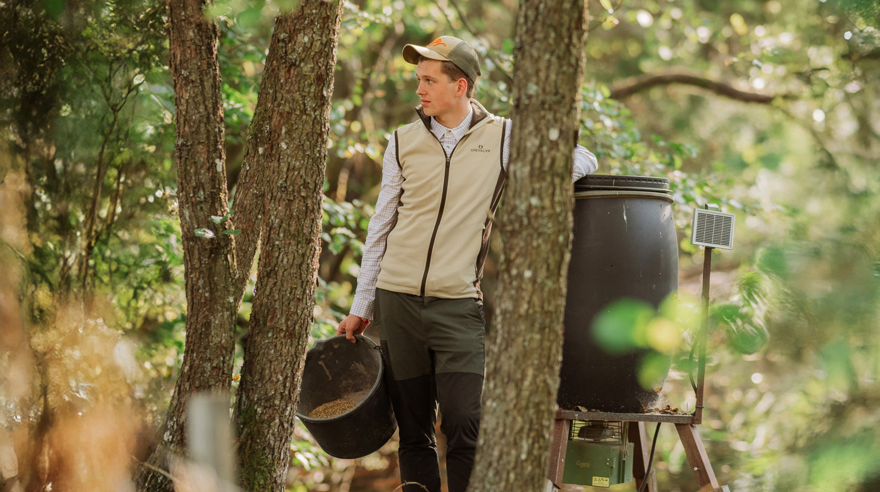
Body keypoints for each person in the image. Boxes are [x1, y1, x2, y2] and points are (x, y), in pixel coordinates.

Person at [337, 36, 598, 492]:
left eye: (429, 81)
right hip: (396, 302)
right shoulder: (403, 141)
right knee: (413, 428)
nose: (419, 90)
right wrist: (364, 303)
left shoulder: (502, 136)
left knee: (464, 421)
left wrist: (529, 177)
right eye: (419, 79)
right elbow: (381, 224)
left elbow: (583, 158)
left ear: (460, 86)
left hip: (457, 305)